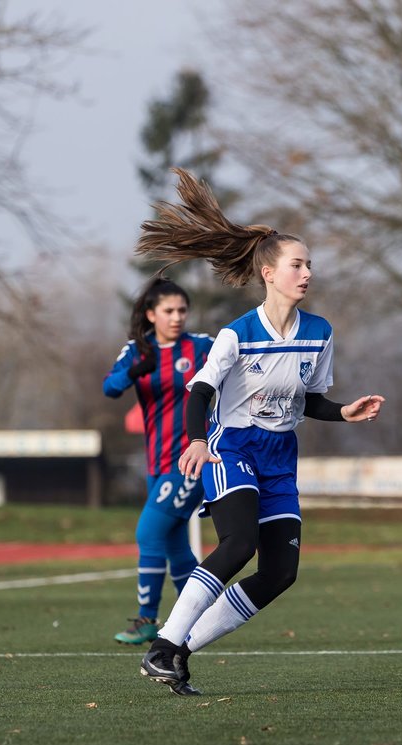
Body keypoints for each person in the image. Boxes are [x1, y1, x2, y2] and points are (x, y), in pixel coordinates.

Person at [133, 168, 384, 695]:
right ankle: (163, 645)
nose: (307, 273)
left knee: (280, 573)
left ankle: (174, 650)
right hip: (233, 446)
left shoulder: (319, 334)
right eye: (297, 264)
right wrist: (198, 440)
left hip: (279, 456)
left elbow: (307, 399)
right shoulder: (237, 334)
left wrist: (344, 412)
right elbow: (199, 391)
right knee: (239, 542)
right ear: (268, 273)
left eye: (310, 265)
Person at [102, 278, 213, 645]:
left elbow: (238, 365)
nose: (178, 317)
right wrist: (136, 369)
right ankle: (199, 617)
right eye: (169, 310)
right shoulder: (137, 351)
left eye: (182, 310)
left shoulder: (200, 347)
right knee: (175, 546)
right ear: (151, 314)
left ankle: (148, 620)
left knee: (148, 534)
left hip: (191, 462)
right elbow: (111, 388)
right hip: (156, 465)